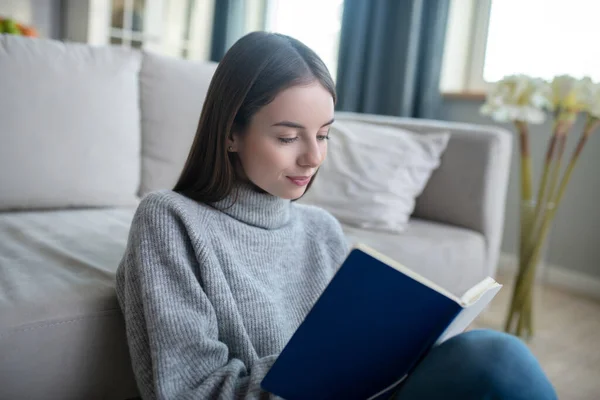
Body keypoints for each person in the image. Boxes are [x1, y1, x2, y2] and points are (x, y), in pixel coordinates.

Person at [115, 31, 558, 400]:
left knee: (493, 355)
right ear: (231, 133)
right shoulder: (171, 221)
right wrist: (334, 363)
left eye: (324, 135)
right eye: (289, 137)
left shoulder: (321, 230)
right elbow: (192, 389)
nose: (313, 158)